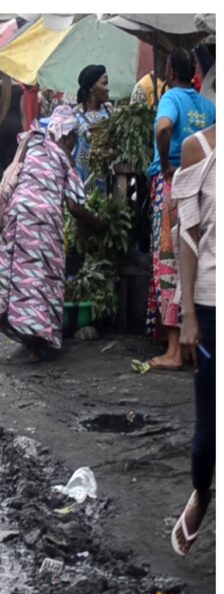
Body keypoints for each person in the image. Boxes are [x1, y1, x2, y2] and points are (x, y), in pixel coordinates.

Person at [0, 106, 104, 363]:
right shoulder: (65, 159)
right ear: (67, 137)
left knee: (7, 273)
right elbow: (75, 206)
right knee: (40, 280)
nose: (74, 143)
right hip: (44, 222)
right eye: (74, 139)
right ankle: (35, 348)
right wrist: (100, 224)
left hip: (17, 214)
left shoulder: (32, 142)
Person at [146, 47, 216, 370]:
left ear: (171, 71)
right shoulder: (206, 103)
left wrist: (164, 163)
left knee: (170, 261)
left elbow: (163, 128)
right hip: (205, 185)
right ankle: (189, 346)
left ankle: (174, 350)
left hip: (174, 184)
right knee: (198, 253)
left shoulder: (171, 98)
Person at [171, 124, 215, 555]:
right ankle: (202, 493)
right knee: (207, 437)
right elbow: (188, 235)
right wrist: (186, 313)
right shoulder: (198, 149)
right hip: (210, 306)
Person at [73, 65, 115, 186]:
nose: (108, 88)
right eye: (104, 84)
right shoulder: (75, 116)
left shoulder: (110, 111)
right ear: (91, 87)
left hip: (108, 184)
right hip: (81, 184)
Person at [0, 67, 26, 179]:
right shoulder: (20, 88)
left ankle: (2, 182)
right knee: (14, 158)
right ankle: (12, 181)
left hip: (3, 126)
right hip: (16, 126)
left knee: (2, 159)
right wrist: (24, 132)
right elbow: (22, 113)